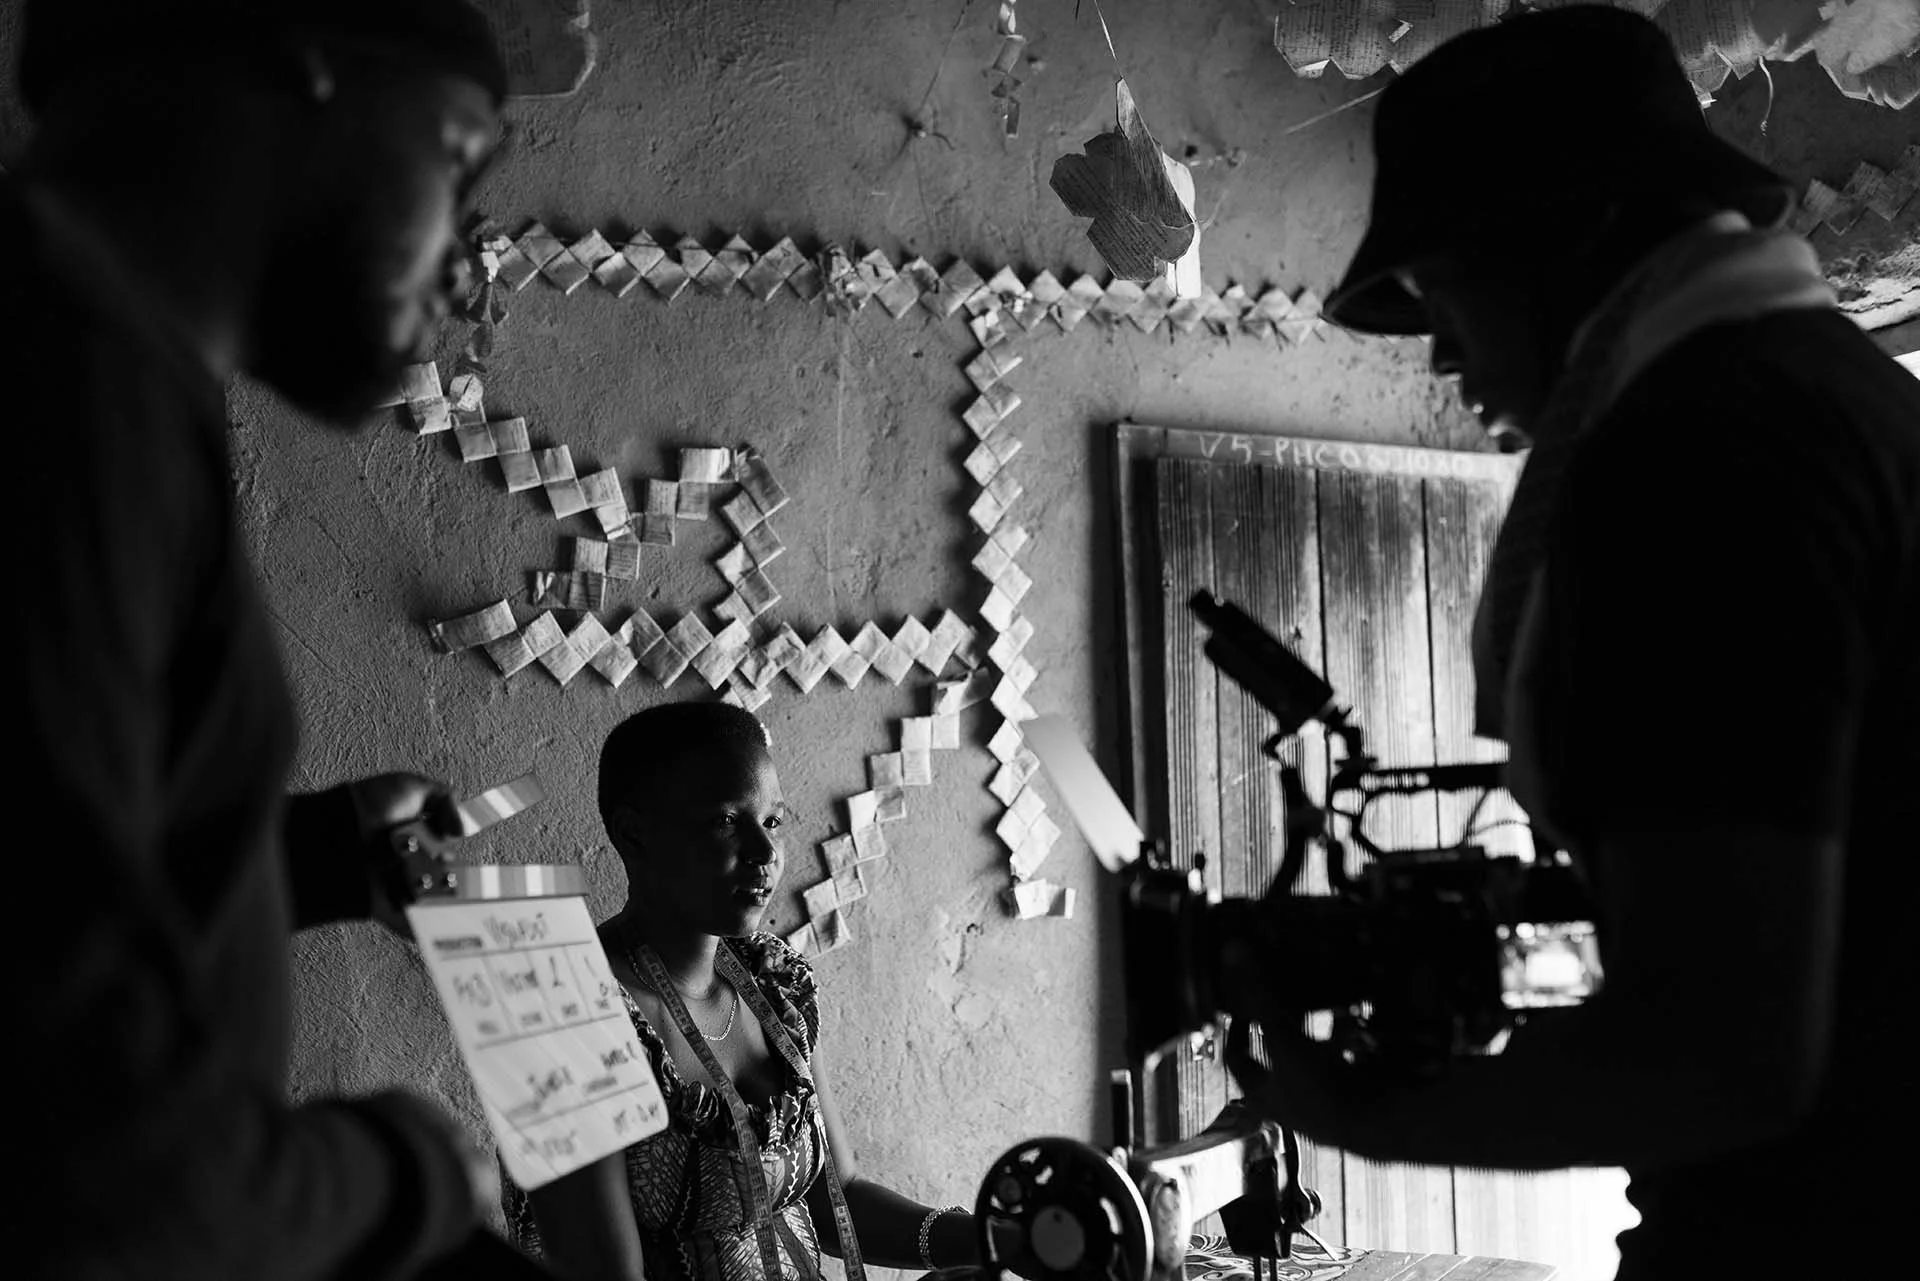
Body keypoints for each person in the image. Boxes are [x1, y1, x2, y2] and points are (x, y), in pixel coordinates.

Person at [1227, 7, 1920, 1277]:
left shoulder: (1702, 455)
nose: (1440, 349)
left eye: (1445, 288)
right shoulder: (1847, 399)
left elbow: (1723, 1058)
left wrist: (1356, 1114)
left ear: (1576, 231)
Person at [2, 2, 532, 1277]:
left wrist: (310, 855)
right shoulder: (66, 398)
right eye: (461, 157)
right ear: (311, 50)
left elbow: (54, 891)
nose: (469, 264)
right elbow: (96, 1172)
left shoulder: (100, 372)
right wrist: (411, 1178)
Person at [508, 703, 1000, 1281]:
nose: (765, 854)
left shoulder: (773, 986)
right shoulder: (569, 1021)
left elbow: (835, 1198)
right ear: (634, 835)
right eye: (725, 821)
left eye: (771, 822)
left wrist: (984, 1241)